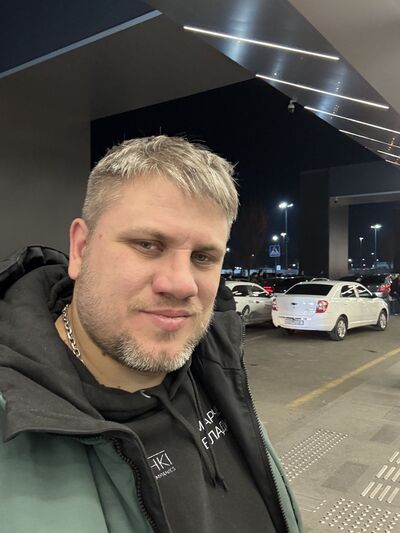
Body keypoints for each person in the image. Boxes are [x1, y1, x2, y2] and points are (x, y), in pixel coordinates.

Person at [0, 136, 302, 532]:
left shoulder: (218, 370)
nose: (181, 284)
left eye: (203, 257)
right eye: (147, 245)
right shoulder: (13, 422)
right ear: (81, 249)